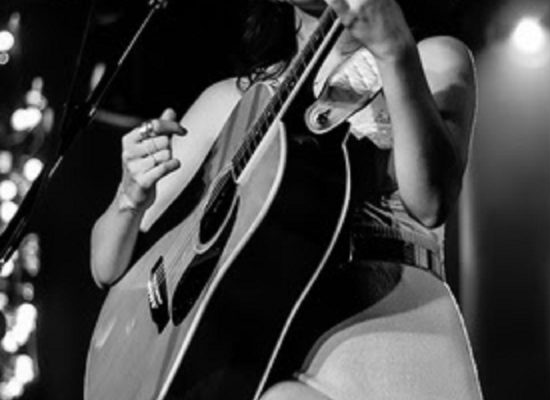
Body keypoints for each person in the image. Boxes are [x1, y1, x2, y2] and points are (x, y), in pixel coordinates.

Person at [90, 0, 481, 399]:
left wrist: (393, 51)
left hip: (385, 328)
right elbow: (105, 265)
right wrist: (130, 195)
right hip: (261, 343)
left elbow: (431, 203)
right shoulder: (231, 101)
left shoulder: (429, 59)